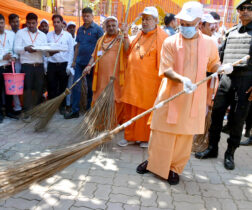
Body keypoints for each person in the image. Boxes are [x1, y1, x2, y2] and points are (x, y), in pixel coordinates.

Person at [136, 1, 223, 185]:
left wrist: (222, 68)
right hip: (170, 95)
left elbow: (213, 64)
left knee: (184, 136)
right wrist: (182, 80)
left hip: (193, 99)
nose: (184, 28)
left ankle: (174, 168)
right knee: (160, 132)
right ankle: (153, 163)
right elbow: (165, 69)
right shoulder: (170, 41)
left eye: (189, 24)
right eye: (182, 23)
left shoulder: (209, 43)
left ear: (199, 22)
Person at [195, 0, 252, 170]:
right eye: (242, 8)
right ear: (238, 12)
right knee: (216, 116)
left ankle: (230, 154)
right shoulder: (231, 32)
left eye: (249, 8)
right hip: (226, 80)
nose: (245, 11)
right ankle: (212, 148)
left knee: (237, 120)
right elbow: (219, 55)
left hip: (246, 82)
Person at [118, 7, 168, 148]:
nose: (145, 22)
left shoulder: (163, 37)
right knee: (130, 108)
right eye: (143, 19)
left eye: (148, 19)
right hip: (133, 82)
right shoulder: (139, 34)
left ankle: (144, 138)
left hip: (149, 85)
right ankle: (129, 137)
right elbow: (128, 51)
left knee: (144, 111)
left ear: (156, 21)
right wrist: (125, 35)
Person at [83, 16, 125, 124]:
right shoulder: (100, 40)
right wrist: (89, 65)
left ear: (117, 26)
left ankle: (113, 122)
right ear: (105, 27)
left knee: (115, 99)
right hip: (101, 78)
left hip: (115, 78)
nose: (111, 28)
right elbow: (94, 55)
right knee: (99, 98)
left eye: (113, 26)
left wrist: (125, 37)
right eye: (108, 26)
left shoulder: (121, 38)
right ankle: (100, 122)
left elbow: (127, 50)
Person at [64, 7, 103, 119]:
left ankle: (89, 110)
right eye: (84, 16)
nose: (85, 18)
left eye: (88, 16)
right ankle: (75, 111)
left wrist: (95, 62)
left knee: (91, 87)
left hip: (92, 64)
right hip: (79, 63)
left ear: (92, 16)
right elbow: (77, 46)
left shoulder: (98, 29)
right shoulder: (80, 30)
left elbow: (101, 46)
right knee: (76, 86)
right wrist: (74, 61)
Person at [14, 13, 47, 113]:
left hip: (39, 66)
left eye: (33, 23)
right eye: (29, 23)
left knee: (39, 88)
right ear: (26, 23)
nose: (31, 25)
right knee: (27, 89)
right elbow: (16, 49)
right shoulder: (20, 33)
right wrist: (25, 48)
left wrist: (51, 52)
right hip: (27, 66)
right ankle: (27, 111)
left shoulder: (42, 35)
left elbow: (45, 51)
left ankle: (37, 110)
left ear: (37, 23)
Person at [46, 14, 74, 114]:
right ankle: (51, 107)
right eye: (55, 22)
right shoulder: (49, 35)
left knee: (62, 87)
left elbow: (71, 51)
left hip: (63, 64)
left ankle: (61, 107)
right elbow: (45, 51)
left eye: (58, 22)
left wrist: (69, 65)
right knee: (51, 87)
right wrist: (46, 64)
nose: (56, 24)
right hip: (52, 64)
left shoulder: (68, 35)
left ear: (62, 23)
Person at [9, 13, 22, 115]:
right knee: (15, 85)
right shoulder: (8, 34)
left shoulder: (23, 33)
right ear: (10, 23)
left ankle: (26, 105)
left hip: (26, 62)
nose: (15, 23)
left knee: (26, 86)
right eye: (13, 22)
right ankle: (17, 107)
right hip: (14, 63)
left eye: (17, 21)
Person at [66, 21, 77, 111]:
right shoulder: (66, 38)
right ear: (67, 29)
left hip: (76, 66)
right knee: (68, 86)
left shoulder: (78, 39)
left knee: (75, 86)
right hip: (67, 65)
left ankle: (75, 103)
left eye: (73, 27)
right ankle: (68, 104)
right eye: (70, 27)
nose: (72, 29)